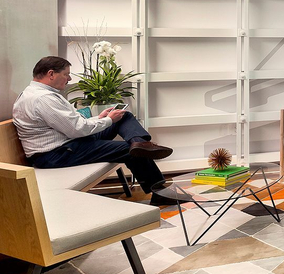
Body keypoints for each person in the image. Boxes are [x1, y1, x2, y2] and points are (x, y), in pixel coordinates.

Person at [12, 56, 173, 202]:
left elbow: (72, 124)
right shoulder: (43, 99)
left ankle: (141, 144)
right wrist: (108, 120)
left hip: (68, 143)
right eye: (66, 74)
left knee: (123, 116)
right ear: (51, 74)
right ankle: (161, 195)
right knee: (128, 150)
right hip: (56, 154)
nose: (69, 78)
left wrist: (100, 118)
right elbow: (77, 129)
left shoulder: (36, 93)